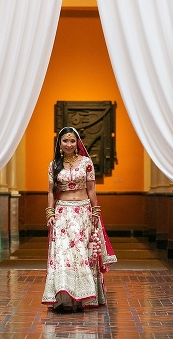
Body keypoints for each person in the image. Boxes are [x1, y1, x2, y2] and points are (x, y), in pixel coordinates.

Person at [42, 127, 116, 310]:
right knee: (62, 254)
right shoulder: (54, 165)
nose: (68, 144)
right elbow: (51, 191)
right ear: (59, 143)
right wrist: (50, 213)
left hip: (83, 212)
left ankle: (82, 298)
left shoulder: (86, 163)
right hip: (62, 213)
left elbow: (91, 189)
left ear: (77, 143)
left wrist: (95, 211)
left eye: (72, 141)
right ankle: (64, 299)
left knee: (82, 254)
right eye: (65, 141)